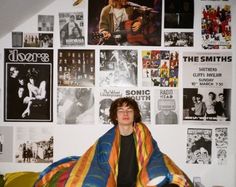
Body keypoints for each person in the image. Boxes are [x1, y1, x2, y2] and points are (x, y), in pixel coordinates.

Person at [35, 97, 192, 187]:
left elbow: (153, 157)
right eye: (121, 110)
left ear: (134, 114)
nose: (125, 113)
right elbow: (98, 164)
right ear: (115, 116)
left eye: (129, 110)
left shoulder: (144, 135)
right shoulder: (106, 140)